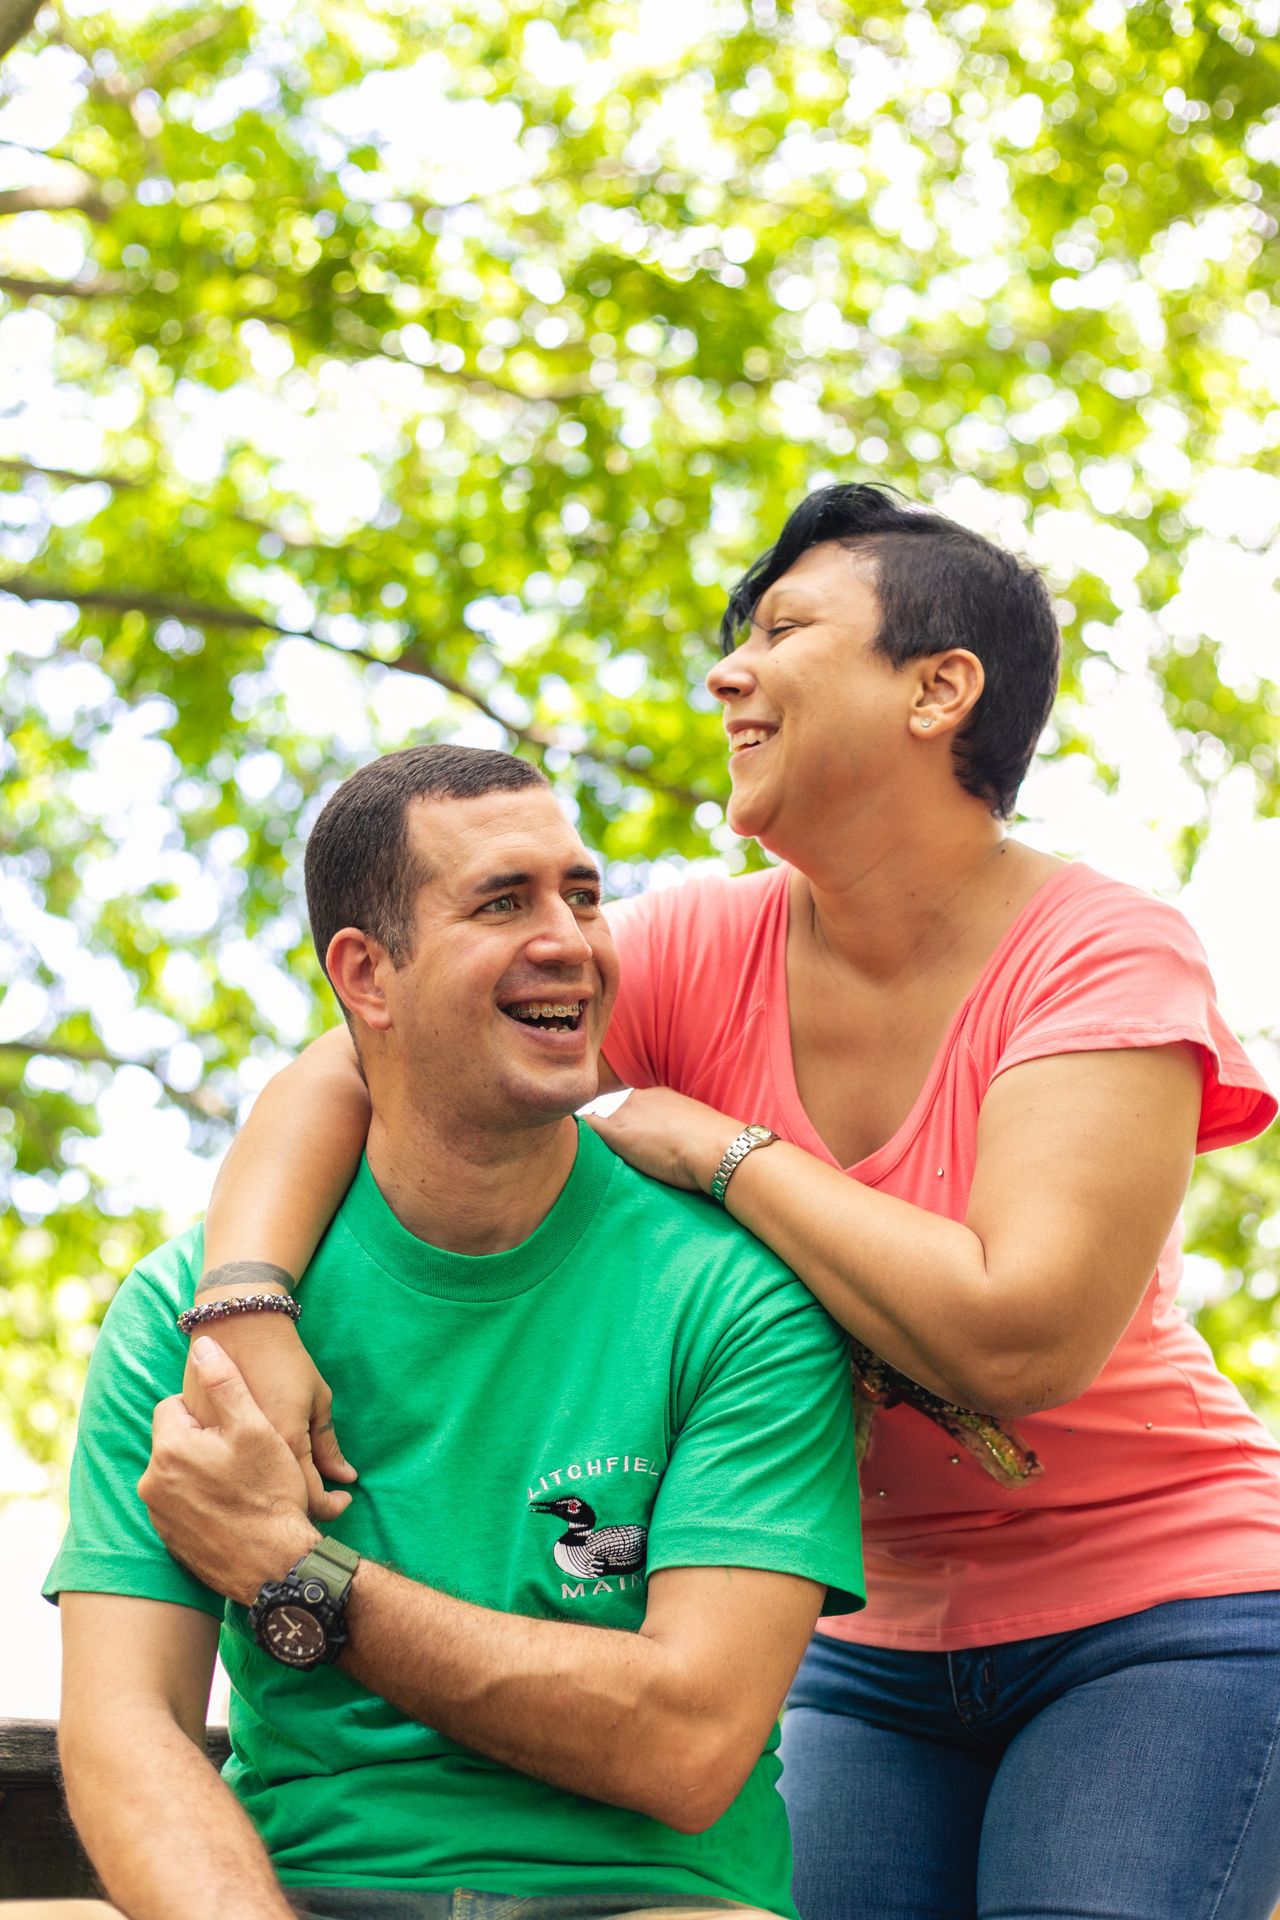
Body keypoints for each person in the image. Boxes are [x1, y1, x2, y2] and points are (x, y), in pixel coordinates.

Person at [177, 485, 1280, 1920]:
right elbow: (357, 1060)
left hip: (1162, 1617)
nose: (727, 672)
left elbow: (1021, 1339)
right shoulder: (701, 937)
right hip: (862, 1648)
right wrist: (246, 1299)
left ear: (940, 690)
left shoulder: (1104, 955)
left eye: (784, 629)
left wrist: (723, 1152)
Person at [43, 744, 866, 1920]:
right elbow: (128, 1732)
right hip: (299, 1890)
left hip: (640, 1900)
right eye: (501, 902)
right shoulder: (195, 1322)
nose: (570, 939)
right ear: (365, 976)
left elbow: (685, 1747)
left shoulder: (740, 1300)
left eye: (581, 894)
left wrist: (298, 1570)